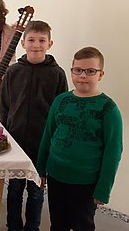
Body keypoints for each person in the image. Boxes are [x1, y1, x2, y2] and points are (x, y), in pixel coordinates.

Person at [37, 47, 123, 230]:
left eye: (90, 71)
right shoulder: (60, 101)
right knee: (58, 223)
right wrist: (41, 169)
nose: (83, 75)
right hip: (57, 176)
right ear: (72, 71)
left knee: (82, 224)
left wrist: (103, 188)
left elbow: (113, 152)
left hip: (86, 182)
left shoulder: (108, 109)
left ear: (100, 74)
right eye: (78, 70)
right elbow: (48, 135)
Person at [0, 21, 68, 231]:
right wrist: (4, 138)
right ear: (23, 43)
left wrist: (54, 143)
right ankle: (13, 226)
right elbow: (4, 107)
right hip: (16, 143)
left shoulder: (57, 74)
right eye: (31, 40)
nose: (36, 45)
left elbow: (61, 112)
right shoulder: (12, 72)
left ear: (50, 43)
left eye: (41, 40)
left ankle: (32, 227)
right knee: (14, 191)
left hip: (42, 145)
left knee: (37, 193)